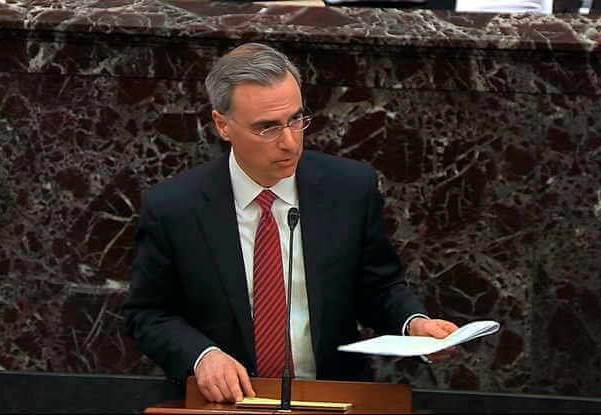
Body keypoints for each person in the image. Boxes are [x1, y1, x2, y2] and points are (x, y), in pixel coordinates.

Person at [123, 43, 459, 404]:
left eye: (296, 119)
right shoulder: (175, 206)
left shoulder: (349, 188)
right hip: (228, 402)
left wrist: (414, 323)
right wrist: (202, 356)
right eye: (267, 128)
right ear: (222, 124)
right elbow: (148, 313)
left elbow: (379, 287)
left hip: (331, 397)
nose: (289, 142)